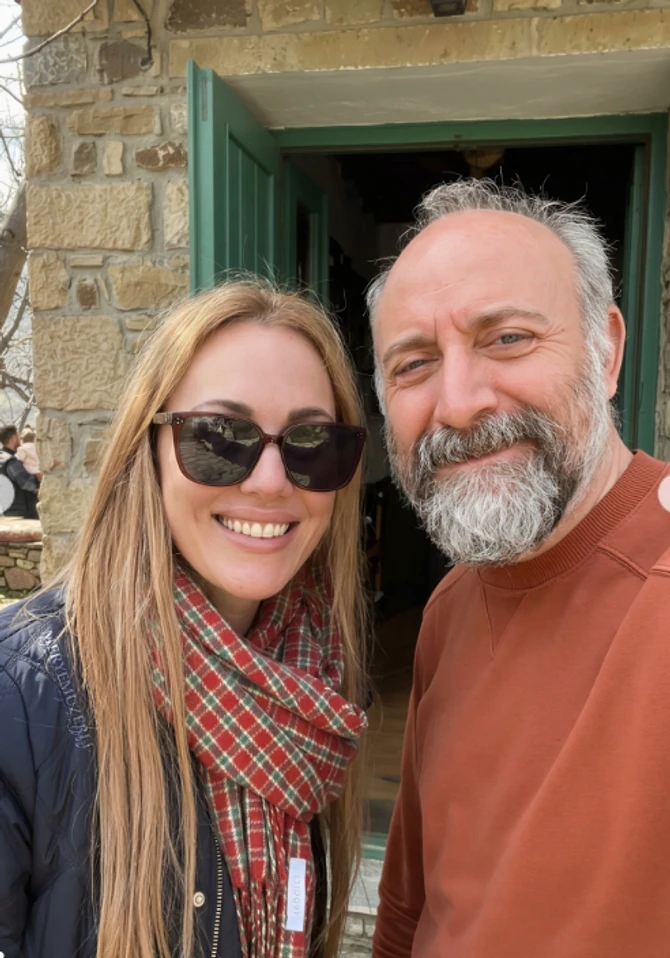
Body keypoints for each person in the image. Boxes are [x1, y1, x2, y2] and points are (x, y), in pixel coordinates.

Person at [0, 281, 369, 958]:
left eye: (312, 441)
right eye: (220, 436)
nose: (270, 482)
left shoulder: (312, 677)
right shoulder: (18, 698)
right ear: (149, 450)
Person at [366, 179, 670, 958]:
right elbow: (408, 909)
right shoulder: (449, 609)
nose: (460, 402)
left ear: (607, 351)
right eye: (414, 364)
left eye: (507, 338)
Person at [0, 423, 40, 519]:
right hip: (19, 512)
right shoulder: (11, 461)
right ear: (13, 438)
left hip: (7, 511)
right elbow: (27, 483)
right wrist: (39, 477)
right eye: (18, 435)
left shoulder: (3, 457)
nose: (20, 439)